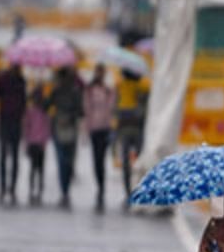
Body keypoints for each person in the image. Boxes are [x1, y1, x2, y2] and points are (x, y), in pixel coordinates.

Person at [0, 60, 27, 204]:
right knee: (6, 156)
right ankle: (5, 187)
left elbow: (23, 102)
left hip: (12, 122)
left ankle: (10, 187)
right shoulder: (5, 79)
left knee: (11, 156)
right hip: (6, 122)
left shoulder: (20, 80)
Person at [47, 65, 84, 208]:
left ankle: (65, 189)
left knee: (65, 161)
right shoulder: (58, 91)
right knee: (64, 160)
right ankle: (64, 190)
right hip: (61, 128)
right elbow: (46, 106)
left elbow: (80, 112)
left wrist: (67, 117)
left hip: (66, 128)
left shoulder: (72, 91)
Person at [84, 63, 116, 210]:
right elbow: (87, 109)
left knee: (102, 158)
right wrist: (87, 128)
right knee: (96, 159)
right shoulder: (89, 90)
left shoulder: (108, 90)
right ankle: (99, 184)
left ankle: (102, 187)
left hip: (105, 128)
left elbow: (111, 108)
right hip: (94, 128)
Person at [115, 70, 148, 207]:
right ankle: (139, 190)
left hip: (124, 129)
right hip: (138, 129)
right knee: (140, 161)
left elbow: (116, 109)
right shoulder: (144, 88)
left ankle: (128, 193)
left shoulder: (120, 87)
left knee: (126, 163)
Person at [24, 85, 51, 205]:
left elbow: (47, 129)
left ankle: (38, 188)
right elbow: (26, 128)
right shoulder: (31, 112)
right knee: (35, 168)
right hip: (35, 144)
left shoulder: (43, 113)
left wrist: (44, 142)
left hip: (38, 144)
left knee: (38, 168)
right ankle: (33, 188)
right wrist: (27, 142)